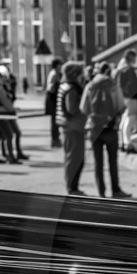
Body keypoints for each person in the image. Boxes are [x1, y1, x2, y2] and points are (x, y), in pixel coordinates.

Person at [80, 61, 130, 198]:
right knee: (112, 160)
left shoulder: (90, 85)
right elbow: (122, 107)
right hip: (111, 127)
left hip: (94, 128)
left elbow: (83, 108)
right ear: (108, 71)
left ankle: (101, 192)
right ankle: (115, 190)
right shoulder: (113, 86)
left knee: (98, 161)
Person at [56, 62, 88, 195]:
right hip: (72, 128)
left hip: (67, 127)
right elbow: (72, 109)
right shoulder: (72, 89)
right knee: (74, 158)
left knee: (73, 158)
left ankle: (72, 186)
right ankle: (72, 187)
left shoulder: (64, 86)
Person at [115, 49, 137, 153]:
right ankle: (127, 143)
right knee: (131, 118)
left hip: (124, 97)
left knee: (125, 118)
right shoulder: (128, 68)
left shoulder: (121, 67)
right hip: (130, 96)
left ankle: (122, 141)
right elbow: (132, 85)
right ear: (131, 57)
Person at [45, 59, 63, 148]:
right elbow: (51, 88)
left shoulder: (55, 73)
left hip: (53, 99)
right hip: (53, 100)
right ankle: (54, 139)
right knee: (54, 121)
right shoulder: (54, 74)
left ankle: (56, 138)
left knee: (55, 120)